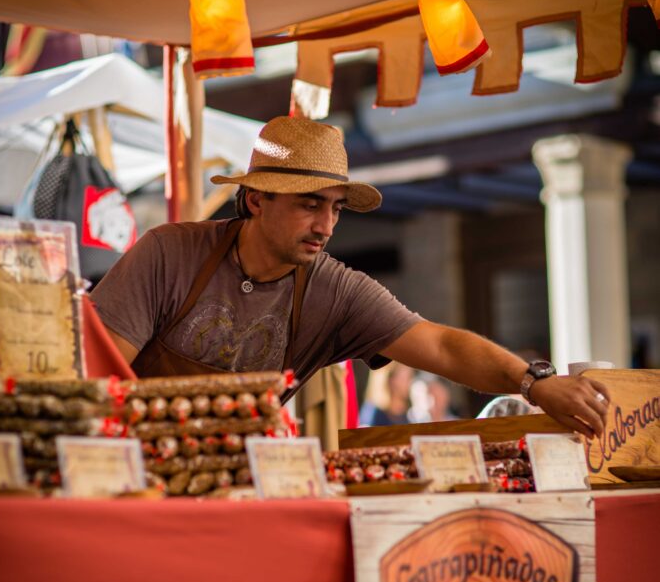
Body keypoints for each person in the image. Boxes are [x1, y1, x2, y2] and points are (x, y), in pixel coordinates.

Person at [90, 116, 610, 438]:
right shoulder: (168, 253)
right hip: (133, 477)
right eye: (309, 205)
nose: (326, 225)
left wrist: (534, 383)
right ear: (255, 200)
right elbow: (95, 379)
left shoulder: (335, 291)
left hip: (242, 486)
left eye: (336, 208)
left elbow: (443, 347)